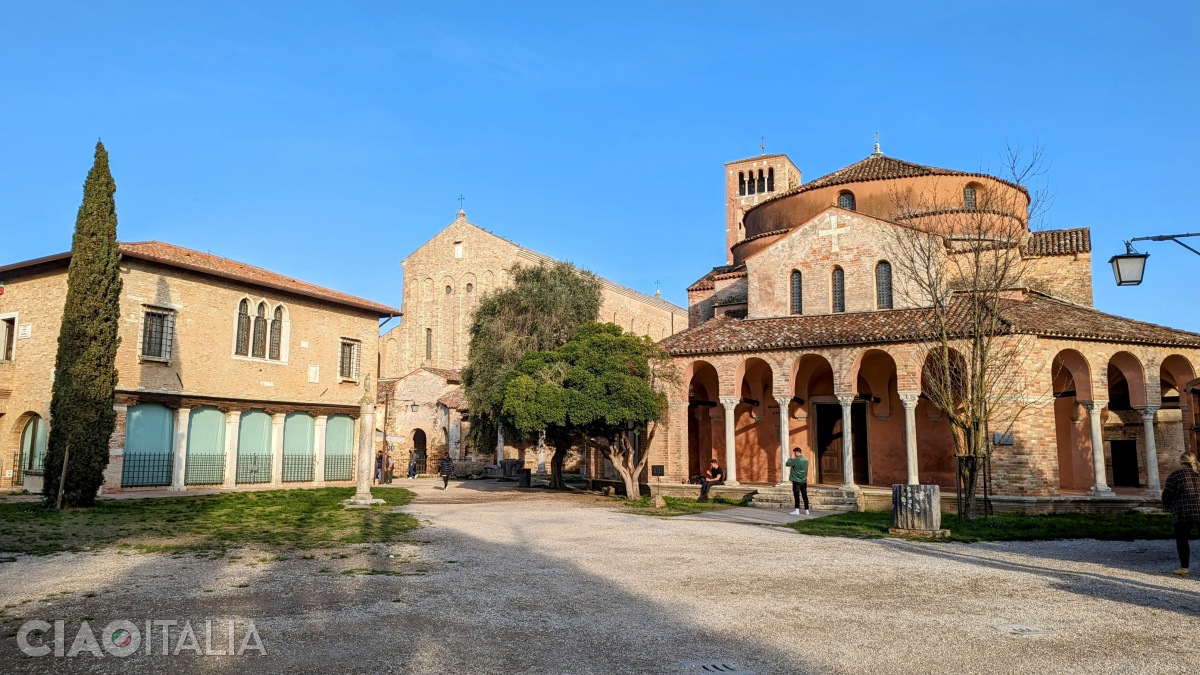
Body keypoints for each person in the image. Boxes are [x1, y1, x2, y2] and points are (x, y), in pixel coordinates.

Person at [1162, 450, 1200, 577]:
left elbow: (1167, 493)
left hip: (1183, 511)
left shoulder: (1175, 475)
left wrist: (1166, 505)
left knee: (1182, 540)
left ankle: (1184, 569)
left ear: (1181, 461)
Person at [785, 447, 810, 516]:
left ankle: (797, 510)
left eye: (794, 453)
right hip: (804, 480)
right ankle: (807, 510)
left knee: (796, 495)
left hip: (796, 480)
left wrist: (790, 457)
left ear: (795, 452)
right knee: (804, 495)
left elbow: (787, 464)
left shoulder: (796, 460)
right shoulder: (806, 460)